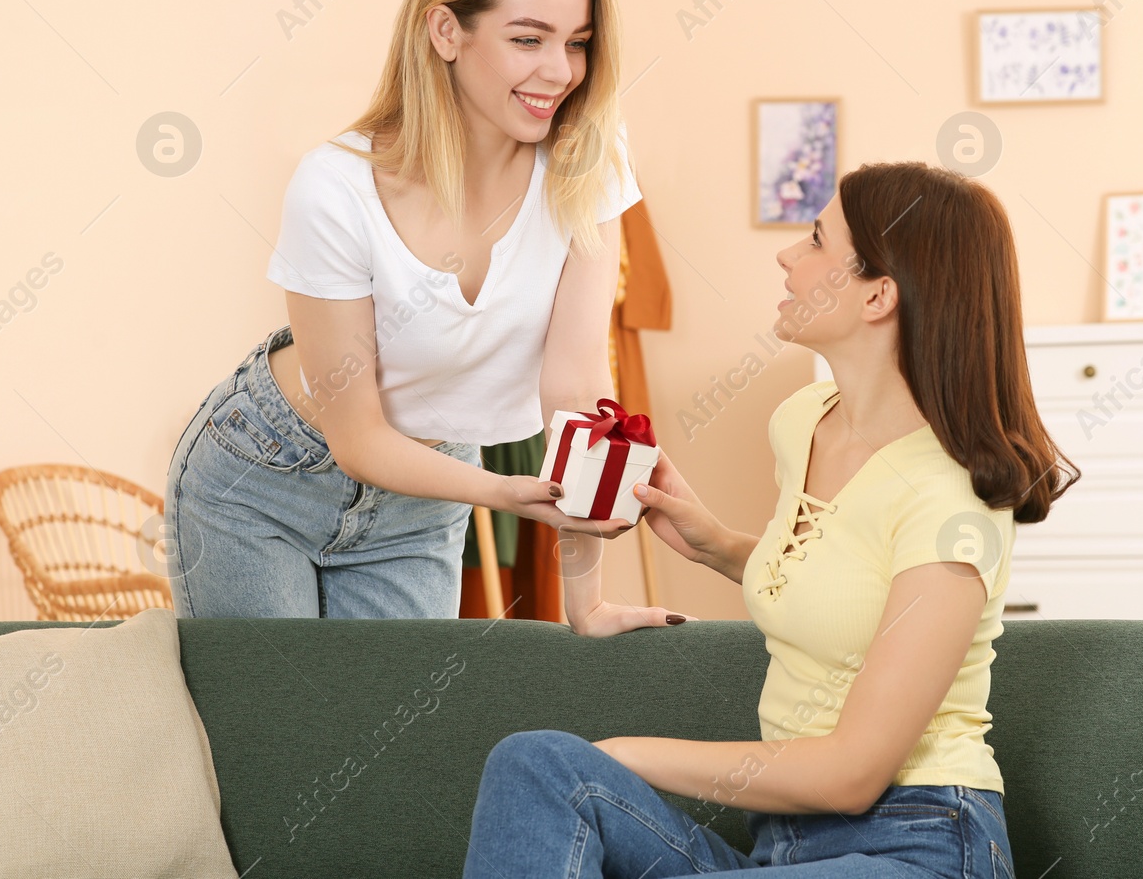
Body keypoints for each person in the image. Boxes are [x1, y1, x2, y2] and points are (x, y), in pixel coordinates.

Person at [463, 161, 1080, 877]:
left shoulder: (953, 501)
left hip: (921, 842)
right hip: (782, 851)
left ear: (879, 293)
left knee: (585, 766)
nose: (788, 255)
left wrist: (620, 754)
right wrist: (716, 544)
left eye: (816, 240)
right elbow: (844, 579)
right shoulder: (804, 423)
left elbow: (852, 772)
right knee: (535, 763)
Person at [163, 0, 692, 632]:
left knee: (395, 744)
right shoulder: (337, 185)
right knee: (281, 737)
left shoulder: (588, 160)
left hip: (426, 488)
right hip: (263, 480)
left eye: (576, 42)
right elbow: (358, 439)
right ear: (446, 30)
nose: (560, 70)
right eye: (528, 38)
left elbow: (576, 388)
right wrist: (506, 491)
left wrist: (586, 600)